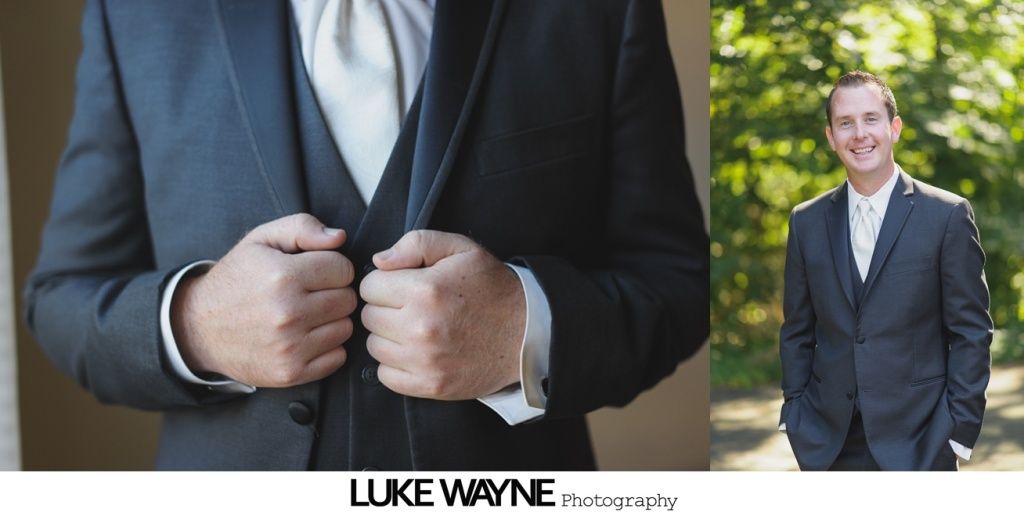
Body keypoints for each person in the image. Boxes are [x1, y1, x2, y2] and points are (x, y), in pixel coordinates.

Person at [24, 0, 708, 470]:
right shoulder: (135, 13)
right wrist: (196, 324)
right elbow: (62, 296)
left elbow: (677, 280)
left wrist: (526, 332)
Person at [778, 70, 992, 471]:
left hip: (921, 442)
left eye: (871, 119)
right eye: (845, 123)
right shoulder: (806, 221)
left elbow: (971, 332)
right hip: (828, 445)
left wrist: (958, 433)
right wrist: (795, 414)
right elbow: (797, 329)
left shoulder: (946, 215)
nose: (859, 134)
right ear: (831, 137)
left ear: (894, 128)